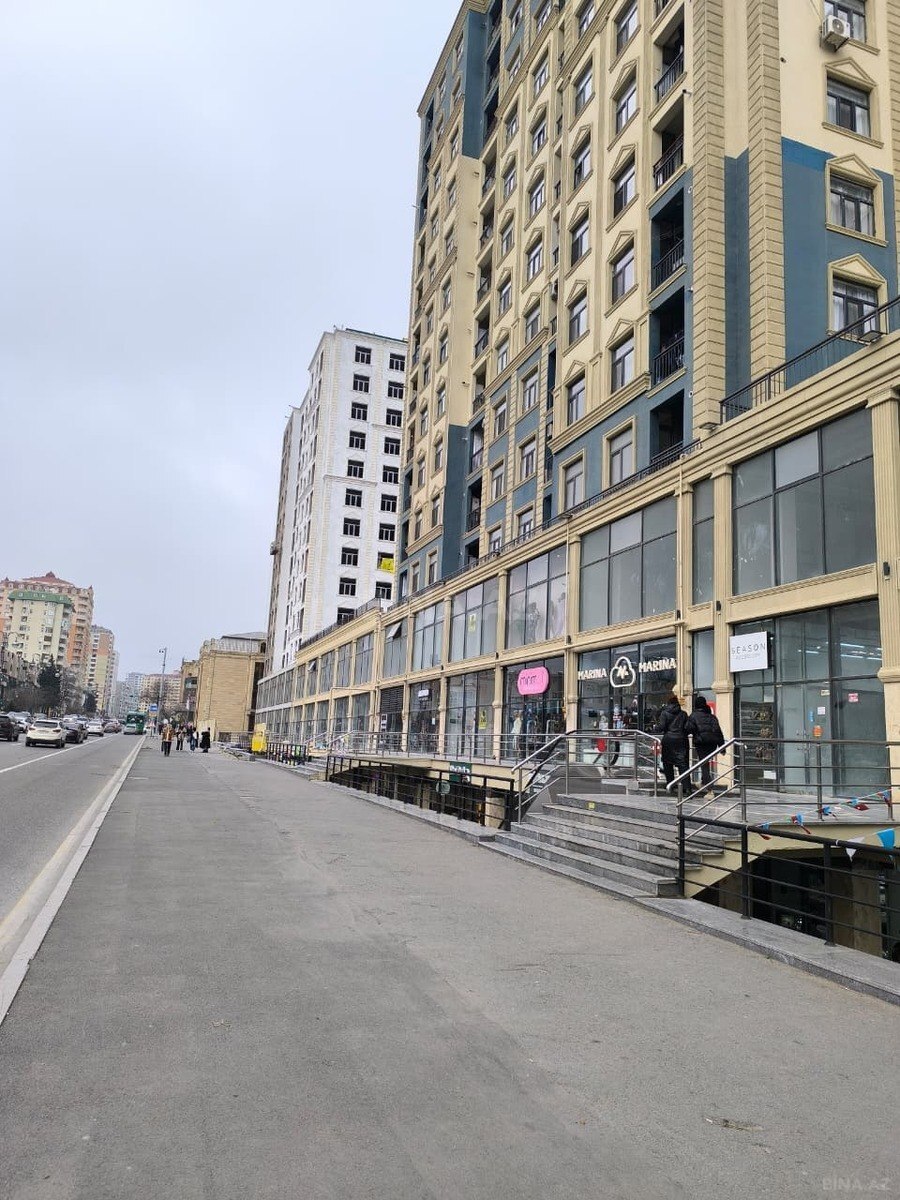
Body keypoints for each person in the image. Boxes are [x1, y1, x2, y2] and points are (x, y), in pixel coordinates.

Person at [686, 696, 725, 791]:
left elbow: (688, 729)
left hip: (701, 743)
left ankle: (709, 789)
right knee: (706, 763)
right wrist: (722, 747)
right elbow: (718, 731)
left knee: (704, 764)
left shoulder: (693, 716)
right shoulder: (712, 716)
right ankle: (703, 782)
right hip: (712, 743)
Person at [654, 693, 690, 788]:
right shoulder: (683, 714)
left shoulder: (664, 713)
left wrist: (655, 727)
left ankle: (670, 784)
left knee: (667, 763)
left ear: (669, 703)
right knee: (683, 764)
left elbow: (661, 727)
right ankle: (687, 788)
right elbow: (688, 727)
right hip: (681, 740)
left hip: (668, 740)